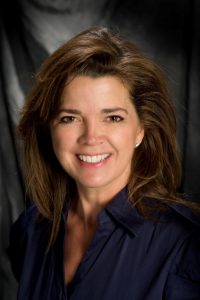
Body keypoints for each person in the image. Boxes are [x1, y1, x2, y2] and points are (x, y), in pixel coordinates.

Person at [8, 26, 200, 300]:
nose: (91, 137)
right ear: (49, 128)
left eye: (113, 118)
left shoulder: (185, 243)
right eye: (70, 118)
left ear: (140, 130)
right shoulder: (30, 230)